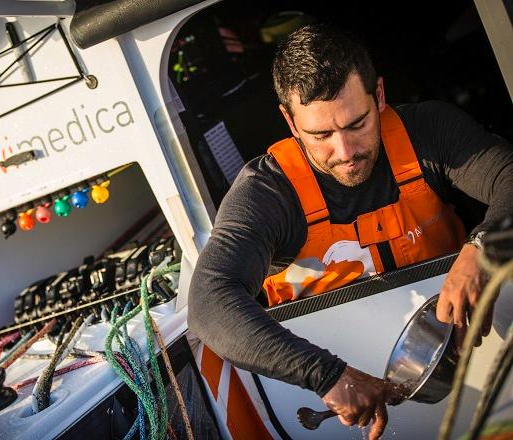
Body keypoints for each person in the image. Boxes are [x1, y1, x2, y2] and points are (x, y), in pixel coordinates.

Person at [188, 23, 513, 440]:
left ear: (378, 95)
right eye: (320, 135)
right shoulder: (267, 192)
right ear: (289, 120)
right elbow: (209, 302)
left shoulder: (429, 132)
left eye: (357, 123)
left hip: (488, 379)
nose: (346, 152)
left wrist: (483, 249)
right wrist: (326, 376)